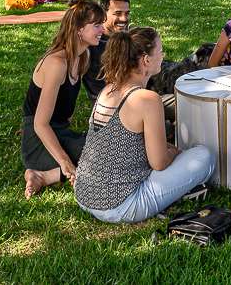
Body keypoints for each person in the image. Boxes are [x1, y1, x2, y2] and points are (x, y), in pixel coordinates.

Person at [74, 27, 214, 223]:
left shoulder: (107, 90)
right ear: (146, 60)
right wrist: (177, 152)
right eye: (160, 51)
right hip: (120, 205)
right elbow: (159, 163)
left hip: (84, 195)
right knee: (203, 156)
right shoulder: (146, 99)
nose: (163, 55)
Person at [22, 0, 106, 198]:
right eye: (96, 25)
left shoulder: (83, 56)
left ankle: (44, 175)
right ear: (79, 29)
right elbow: (40, 124)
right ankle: (43, 174)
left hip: (60, 131)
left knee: (107, 148)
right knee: (104, 156)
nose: (102, 29)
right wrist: (65, 162)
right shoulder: (56, 64)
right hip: (39, 139)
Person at [84, 0, 132, 102]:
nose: (124, 19)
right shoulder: (94, 45)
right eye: (118, 13)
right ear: (103, 14)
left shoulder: (127, 37)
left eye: (127, 13)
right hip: (115, 103)